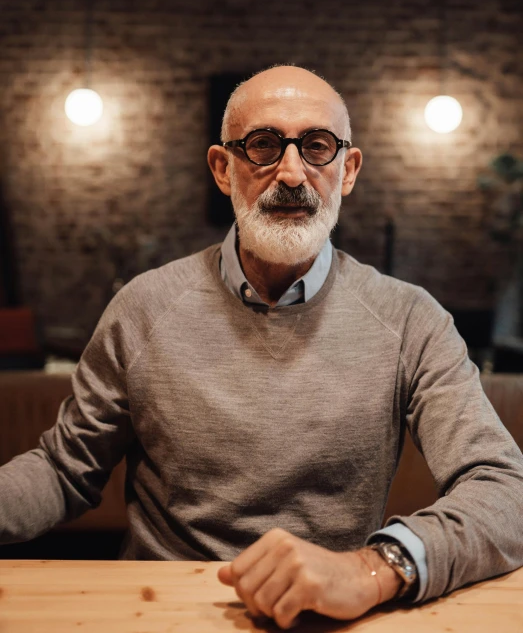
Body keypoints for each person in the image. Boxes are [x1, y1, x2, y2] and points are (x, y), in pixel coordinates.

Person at [1, 65, 522, 629]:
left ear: (347, 171)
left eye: (317, 146)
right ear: (224, 169)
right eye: (264, 145)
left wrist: (374, 569)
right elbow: (63, 470)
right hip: (158, 613)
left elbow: (504, 487)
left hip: (336, 618)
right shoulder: (143, 307)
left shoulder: (411, 319)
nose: (292, 173)